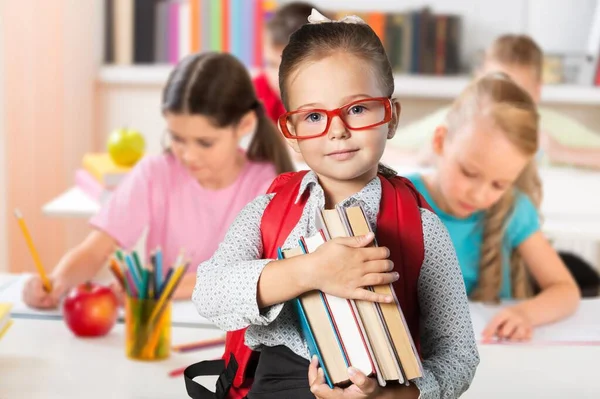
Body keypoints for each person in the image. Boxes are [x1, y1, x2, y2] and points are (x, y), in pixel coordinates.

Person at [194, 10, 478, 398]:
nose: (337, 130)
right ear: (291, 133)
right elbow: (208, 292)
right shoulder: (267, 214)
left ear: (390, 116)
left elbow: (458, 351)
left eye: (357, 109)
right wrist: (310, 270)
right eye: (313, 116)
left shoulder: (423, 228)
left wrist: (399, 396)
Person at [22, 52, 294, 309]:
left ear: (245, 124)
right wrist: (57, 282)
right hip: (159, 326)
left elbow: (248, 275)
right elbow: (95, 251)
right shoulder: (155, 173)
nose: (188, 155)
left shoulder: (266, 184)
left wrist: (156, 291)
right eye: (177, 138)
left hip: (230, 334)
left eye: (205, 142)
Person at [407, 72, 580, 342]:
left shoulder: (514, 210)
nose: (479, 195)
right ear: (440, 141)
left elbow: (565, 291)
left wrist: (525, 313)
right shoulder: (397, 199)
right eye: (468, 172)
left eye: (498, 184)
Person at [386, 34, 600, 169]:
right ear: (477, 81)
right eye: (496, 89)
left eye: (517, 96)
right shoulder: (454, 120)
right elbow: (378, 150)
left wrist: (562, 152)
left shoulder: (550, 127)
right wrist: (418, 157)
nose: (504, 103)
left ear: (537, 91)